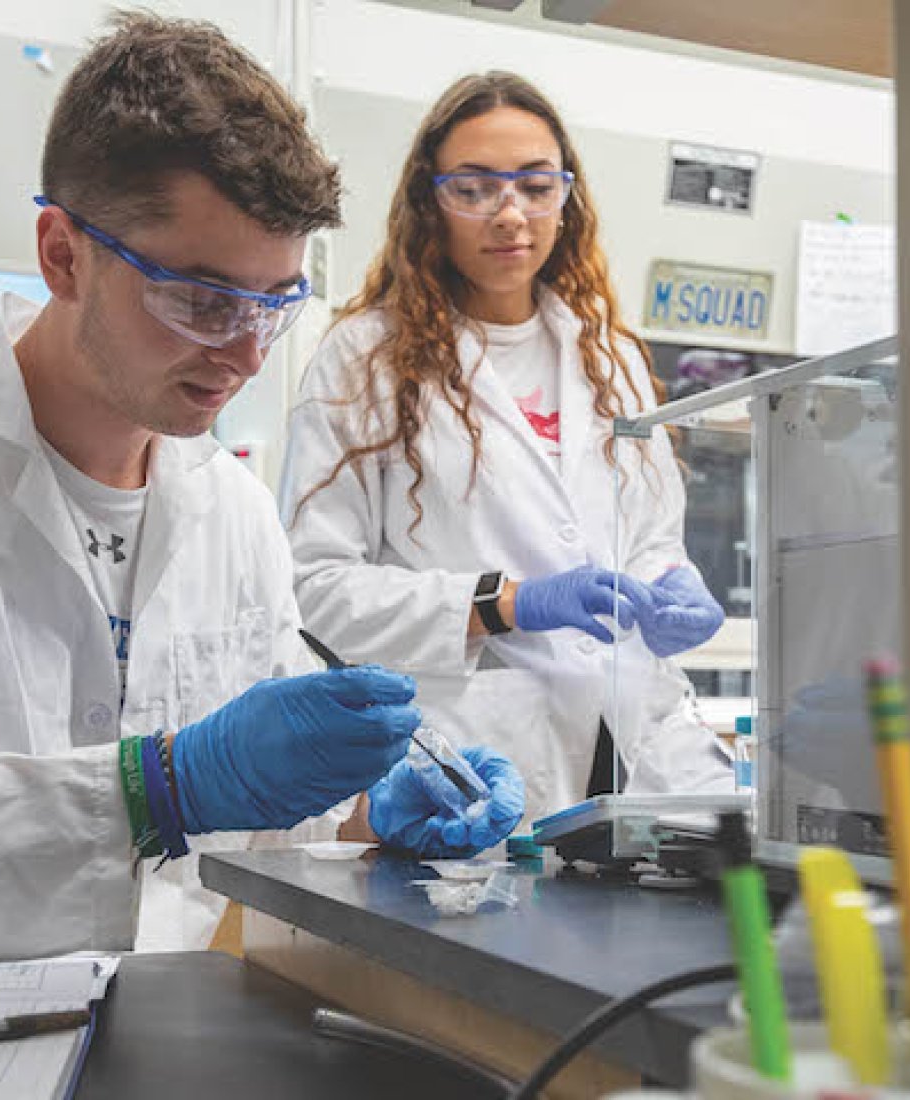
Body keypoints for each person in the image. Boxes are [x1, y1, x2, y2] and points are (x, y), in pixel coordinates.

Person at [0, 15, 522, 964]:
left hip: (169, 1030)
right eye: (203, 299)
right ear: (63, 254)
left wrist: (360, 816)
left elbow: (243, 830)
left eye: (276, 303)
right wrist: (151, 789)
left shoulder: (230, 512)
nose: (246, 354)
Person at [279, 72, 731, 831]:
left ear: (568, 197)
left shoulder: (609, 356)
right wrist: (505, 602)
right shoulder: (368, 358)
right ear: (431, 201)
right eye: (476, 188)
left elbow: (649, 537)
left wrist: (673, 584)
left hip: (634, 737)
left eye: (535, 184)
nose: (511, 213)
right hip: (470, 750)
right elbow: (313, 589)